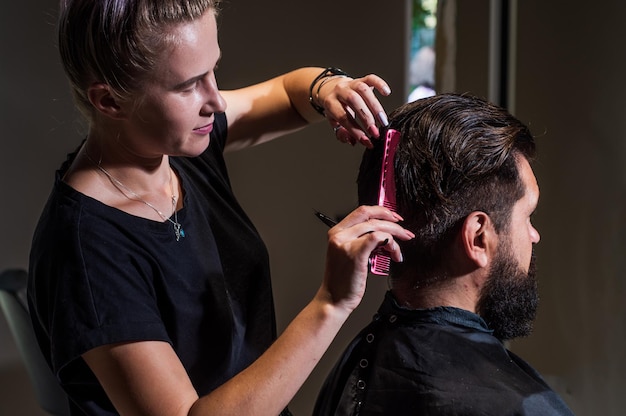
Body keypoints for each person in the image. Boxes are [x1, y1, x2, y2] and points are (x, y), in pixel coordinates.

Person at [27, 0, 416, 415]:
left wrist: (329, 89)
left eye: (213, 70)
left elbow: (290, 92)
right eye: (188, 85)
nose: (215, 100)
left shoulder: (169, 143)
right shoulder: (87, 251)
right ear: (110, 102)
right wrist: (331, 303)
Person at [314, 93, 575, 415]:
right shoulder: (520, 406)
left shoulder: (352, 368)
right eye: (528, 216)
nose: (534, 236)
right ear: (478, 237)